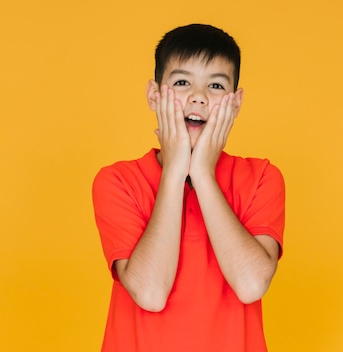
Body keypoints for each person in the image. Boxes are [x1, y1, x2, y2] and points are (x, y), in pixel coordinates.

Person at [92, 24, 285, 352]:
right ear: (154, 95)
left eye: (216, 85)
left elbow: (252, 284)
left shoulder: (263, 177)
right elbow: (150, 293)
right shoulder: (117, 181)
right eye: (182, 82)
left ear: (235, 103)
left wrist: (204, 175)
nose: (198, 97)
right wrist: (174, 174)